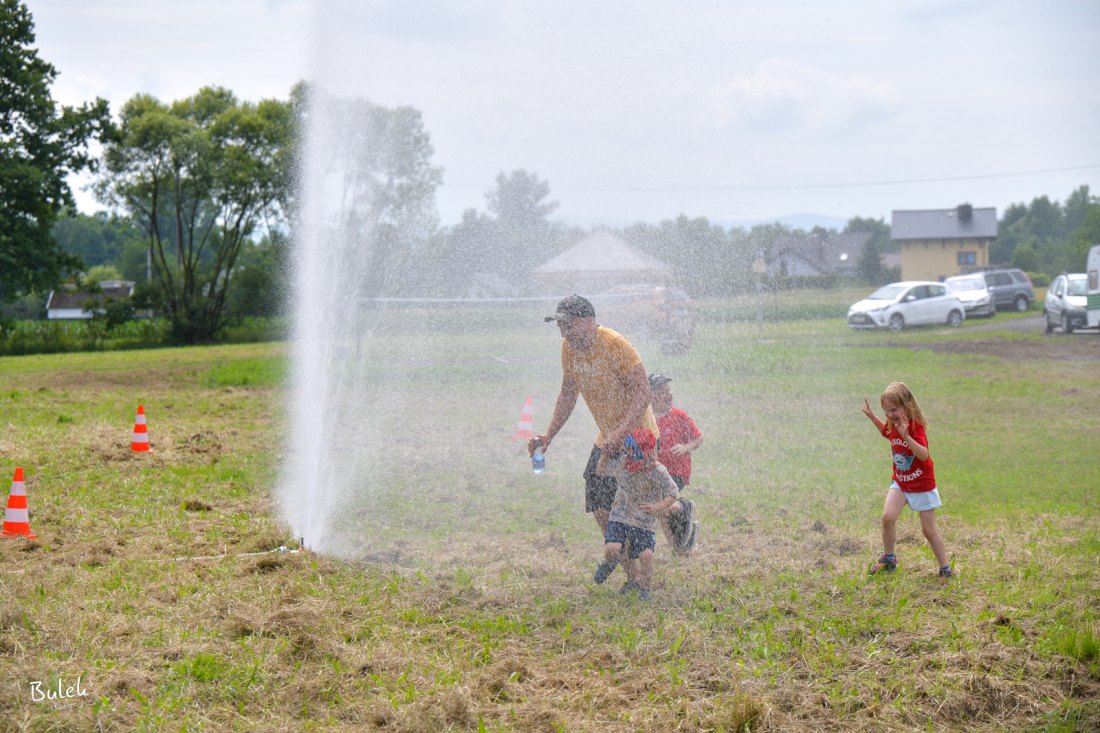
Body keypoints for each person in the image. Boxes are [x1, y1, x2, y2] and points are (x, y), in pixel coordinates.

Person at [528, 295, 676, 590]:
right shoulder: (568, 350)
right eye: (560, 325)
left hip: (638, 438)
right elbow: (569, 393)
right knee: (601, 509)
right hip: (607, 439)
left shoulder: (616, 344)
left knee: (635, 509)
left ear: (588, 321)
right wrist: (549, 436)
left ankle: (675, 516)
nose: (563, 331)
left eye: (568, 324)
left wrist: (621, 433)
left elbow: (643, 393)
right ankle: (632, 576)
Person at [861, 382, 954, 580]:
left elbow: (923, 455)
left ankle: (945, 569)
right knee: (888, 517)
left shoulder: (914, 427)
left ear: (907, 406)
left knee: (928, 531)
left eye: (893, 409)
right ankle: (889, 559)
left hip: (922, 484)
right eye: (886, 410)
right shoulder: (892, 424)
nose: (890, 414)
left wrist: (907, 436)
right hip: (902, 482)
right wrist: (873, 418)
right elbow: (887, 433)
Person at [592, 428, 681, 600]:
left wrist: (658, 507)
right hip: (621, 516)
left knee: (646, 556)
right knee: (612, 549)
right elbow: (600, 471)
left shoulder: (659, 471)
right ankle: (611, 562)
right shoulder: (624, 463)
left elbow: (672, 493)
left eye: (644, 462)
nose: (639, 468)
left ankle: (645, 589)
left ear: (653, 454)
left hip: (644, 521)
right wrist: (604, 455)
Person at [649, 373, 703, 552]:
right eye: (663, 391)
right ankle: (680, 545)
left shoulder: (679, 416)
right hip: (657, 473)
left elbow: (698, 438)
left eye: (668, 390)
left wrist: (685, 447)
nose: (669, 395)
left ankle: (684, 506)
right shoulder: (647, 420)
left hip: (677, 471)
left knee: (660, 506)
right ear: (651, 396)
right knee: (662, 512)